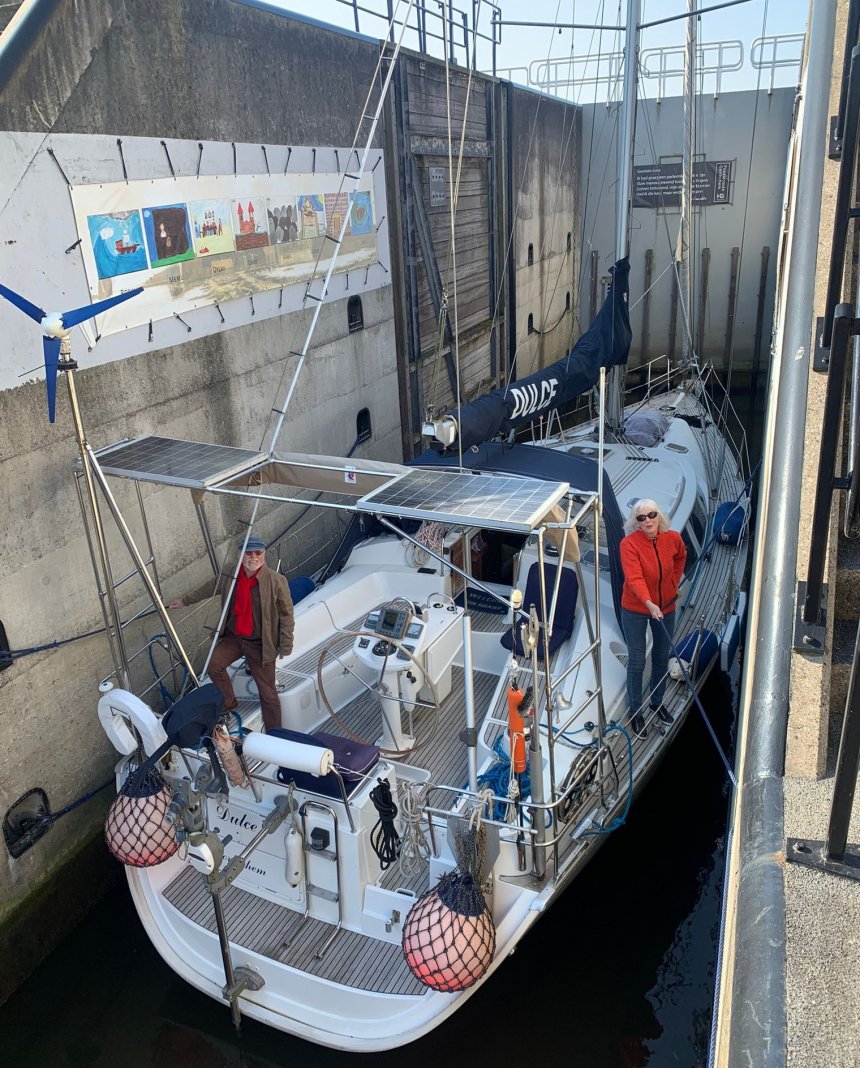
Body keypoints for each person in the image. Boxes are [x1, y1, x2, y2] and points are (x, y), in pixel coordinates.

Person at [169, 537, 294, 732]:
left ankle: (275, 733)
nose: (253, 557)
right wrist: (185, 601)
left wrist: (286, 644)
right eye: (248, 553)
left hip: (260, 643)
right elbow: (211, 587)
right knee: (214, 666)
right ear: (240, 555)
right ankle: (229, 701)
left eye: (257, 553)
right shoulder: (230, 572)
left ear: (264, 554)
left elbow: (286, 614)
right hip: (234, 638)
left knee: (268, 694)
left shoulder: (276, 581)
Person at [619, 498, 686, 739]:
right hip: (635, 608)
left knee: (660, 656)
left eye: (651, 515)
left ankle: (657, 702)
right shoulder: (629, 545)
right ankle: (636, 711)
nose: (647, 520)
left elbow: (681, 557)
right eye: (641, 518)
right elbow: (634, 578)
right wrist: (649, 603)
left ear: (659, 516)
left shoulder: (673, 538)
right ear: (635, 523)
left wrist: (674, 582)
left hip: (666, 606)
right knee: (637, 660)